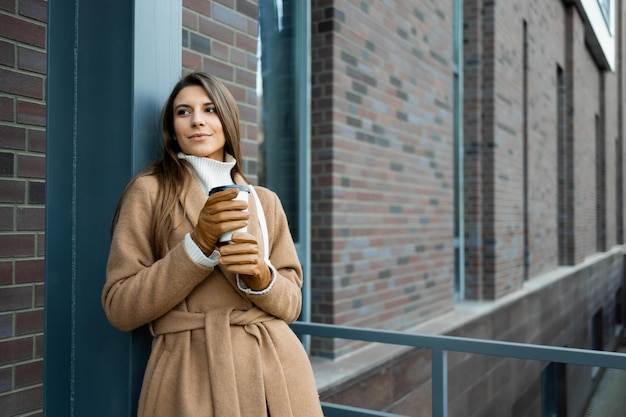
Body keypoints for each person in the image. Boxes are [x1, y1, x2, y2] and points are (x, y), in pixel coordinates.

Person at [102, 71, 324, 417]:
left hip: (275, 376)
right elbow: (120, 306)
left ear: (227, 119)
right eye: (183, 112)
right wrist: (197, 248)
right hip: (190, 379)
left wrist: (261, 278)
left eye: (209, 110)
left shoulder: (265, 201)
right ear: (172, 128)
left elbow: (292, 304)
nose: (197, 121)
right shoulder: (149, 191)